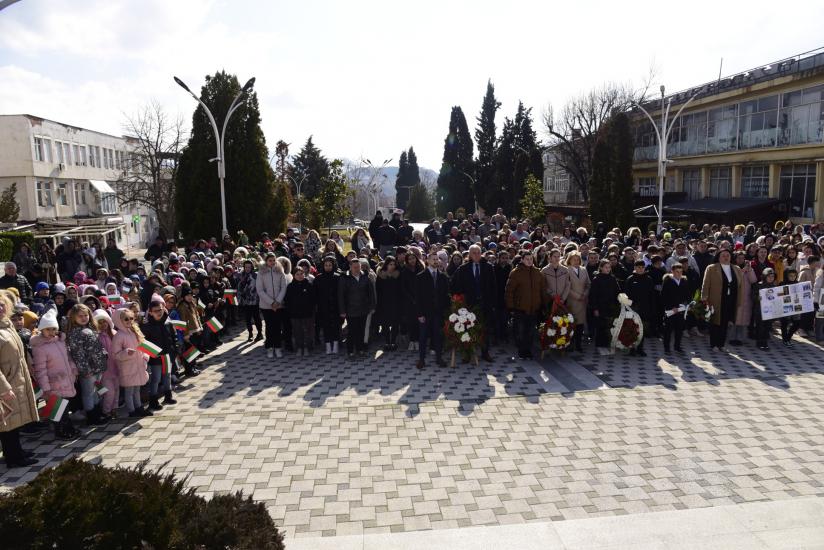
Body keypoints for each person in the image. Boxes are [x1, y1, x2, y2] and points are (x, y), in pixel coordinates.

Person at [0, 290, 39, 468]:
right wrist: (4, 387)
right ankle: (13, 458)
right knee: (7, 422)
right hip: (6, 383)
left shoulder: (6, 325)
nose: (0, 308)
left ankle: (17, 451)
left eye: (2, 304)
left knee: (15, 420)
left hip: (18, 377)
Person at [30, 310, 79, 440]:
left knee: (65, 407)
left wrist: (73, 369)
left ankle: (68, 428)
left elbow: (68, 358)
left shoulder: (60, 342)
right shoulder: (40, 347)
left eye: (53, 329)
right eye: (47, 330)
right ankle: (61, 431)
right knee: (57, 409)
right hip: (53, 383)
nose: (51, 332)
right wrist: (45, 387)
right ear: (41, 330)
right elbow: (40, 369)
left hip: (66, 379)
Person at [450, 244, 496, 362]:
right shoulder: (463, 269)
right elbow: (456, 286)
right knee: (467, 328)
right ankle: (467, 353)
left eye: (478, 252)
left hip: (484, 303)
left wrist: (491, 302)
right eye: (474, 253)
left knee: (484, 329)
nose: (476, 255)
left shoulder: (488, 267)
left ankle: (485, 352)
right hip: (469, 304)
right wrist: (460, 302)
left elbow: (493, 286)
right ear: (469, 254)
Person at [65, 303, 109, 425]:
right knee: (88, 393)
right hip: (88, 370)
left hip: (98, 367)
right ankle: (91, 416)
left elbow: (97, 347)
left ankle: (97, 412)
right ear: (74, 317)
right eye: (80, 316)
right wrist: (85, 370)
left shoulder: (90, 329)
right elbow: (78, 354)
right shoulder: (75, 333)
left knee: (95, 391)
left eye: (86, 315)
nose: (84, 318)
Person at [504, 251, 545, 359]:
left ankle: (528, 350)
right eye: (527, 259)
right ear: (522, 259)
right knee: (521, 331)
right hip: (520, 308)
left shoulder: (537, 272)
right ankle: (522, 351)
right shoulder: (516, 272)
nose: (529, 261)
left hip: (534, 308)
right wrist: (511, 307)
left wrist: (543, 303)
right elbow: (509, 291)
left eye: (531, 259)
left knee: (531, 331)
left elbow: (542, 290)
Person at [702, 249, 744, 352]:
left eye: (728, 255)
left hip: (731, 299)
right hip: (716, 299)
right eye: (723, 255)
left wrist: (740, 300)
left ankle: (721, 344)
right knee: (715, 322)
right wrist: (704, 299)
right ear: (718, 257)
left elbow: (741, 286)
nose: (726, 257)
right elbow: (705, 284)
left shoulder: (736, 268)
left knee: (726, 323)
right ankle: (714, 344)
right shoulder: (711, 268)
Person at [112, 308, 151, 417]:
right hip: (128, 367)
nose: (129, 321)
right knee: (129, 391)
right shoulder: (119, 336)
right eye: (126, 319)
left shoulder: (135, 331)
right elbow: (115, 354)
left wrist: (145, 356)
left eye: (131, 318)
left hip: (138, 365)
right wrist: (125, 353)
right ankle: (131, 410)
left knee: (137, 389)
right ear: (119, 320)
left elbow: (143, 346)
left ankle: (139, 407)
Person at [414, 251, 449, 369]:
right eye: (433, 259)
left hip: (438, 313)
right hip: (425, 313)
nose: (435, 261)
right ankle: (421, 359)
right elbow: (417, 297)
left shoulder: (443, 276)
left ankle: (439, 358)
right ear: (427, 261)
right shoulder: (420, 277)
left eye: (437, 259)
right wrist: (419, 314)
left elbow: (445, 295)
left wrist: (445, 312)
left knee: (438, 336)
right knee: (423, 337)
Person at [142, 297, 178, 410]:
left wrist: (175, 349)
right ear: (151, 313)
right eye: (156, 311)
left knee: (167, 376)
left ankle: (168, 395)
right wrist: (151, 354)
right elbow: (143, 343)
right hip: (155, 357)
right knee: (156, 379)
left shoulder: (168, 323)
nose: (159, 312)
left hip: (167, 355)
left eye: (161, 309)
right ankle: (153, 400)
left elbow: (174, 337)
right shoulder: (147, 327)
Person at [338, 257, 376, 359]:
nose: (357, 269)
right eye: (354, 267)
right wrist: (342, 311)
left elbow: (371, 293)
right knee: (352, 331)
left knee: (361, 331)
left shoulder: (366, 276)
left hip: (363, 309)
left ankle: (360, 350)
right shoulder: (344, 278)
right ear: (350, 267)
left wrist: (372, 306)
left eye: (358, 267)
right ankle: (350, 351)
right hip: (350, 310)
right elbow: (341, 295)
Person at [255, 253, 289, 359]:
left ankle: (278, 347)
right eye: (270, 260)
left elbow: (284, 287)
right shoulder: (261, 273)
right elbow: (260, 290)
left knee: (278, 326)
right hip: (266, 306)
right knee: (269, 327)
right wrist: (271, 302)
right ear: (266, 261)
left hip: (279, 305)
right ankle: (270, 347)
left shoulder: (280, 271)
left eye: (274, 260)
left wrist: (278, 301)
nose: (272, 262)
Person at [589, 259, 620, 355]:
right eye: (606, 267)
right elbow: (593, 295)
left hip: (610, 306)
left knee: (609, 325)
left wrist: (620, 300)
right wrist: (595, 308)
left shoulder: (612, 279)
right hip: (600, 306)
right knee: (600, 326)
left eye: (609, 267)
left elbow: (617, 291)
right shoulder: (596, 279)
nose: (608, 269)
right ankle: (599, 344)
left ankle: (607, 343)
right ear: (601, 268)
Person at [93, 309, 121, 418]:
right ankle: (106, 411)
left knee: (117, 390)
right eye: (100, 322)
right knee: (109, 392)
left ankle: (115, 408)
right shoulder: (96, 337)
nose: (103, 324)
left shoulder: (114, 333)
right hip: (104, 371)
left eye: (104, 321)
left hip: (116, 367)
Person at [284, 265, 316, 356]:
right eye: (297, 274)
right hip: (295, 314)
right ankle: (299, 347)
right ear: (294, 275)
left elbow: (313, 299)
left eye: (301, 274)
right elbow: (287, 300)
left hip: (307, 313)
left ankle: (306, 347)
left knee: (307, 331)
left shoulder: (309, 285)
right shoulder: (290, 286)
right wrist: (290, 310)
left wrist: (311, 309)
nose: (300, 276)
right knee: (297, 331)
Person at [661, 263, 691, 353]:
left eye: (681, 272)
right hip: (670, 310)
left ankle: (677, 347)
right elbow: (664, 296)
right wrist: (671, 307)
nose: (679, 274)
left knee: (679, 329)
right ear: (672, 271)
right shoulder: (668, 281)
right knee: (668, 330)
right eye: (677, 272)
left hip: (681, 310)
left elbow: (688, 295)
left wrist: (687, 304)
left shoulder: (684, 281)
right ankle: (667, 348)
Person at [315, 256, 342, 354]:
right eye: (326, 265)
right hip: (323, 306)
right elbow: (316, 294)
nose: (328, 267)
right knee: (326, 326)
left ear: (333, 266)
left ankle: (335, 344)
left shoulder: (338, 277)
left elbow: (341, 293)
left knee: (335, 326)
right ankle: (327, 345)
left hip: (335, 306)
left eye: (330, 265)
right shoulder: (318, 278)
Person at [564, 251, 590, 352]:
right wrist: (577, 296)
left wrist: (585, 294)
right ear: (569, 260)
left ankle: (579, 345)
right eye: (574, 259)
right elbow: (566, 286)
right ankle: (570, 344)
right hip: (572, 301)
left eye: (578, 259)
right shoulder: (566, 270)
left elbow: (588, 283)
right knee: (572, 323)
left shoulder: (583, 270)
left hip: (583, 301)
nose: (576, 261)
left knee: (580, 325)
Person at [375, 256, 402, 350]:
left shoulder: (398, 275)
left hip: (396, 303)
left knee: (395, 323)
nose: (392, 266)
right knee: (385, 324)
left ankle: (393, 342)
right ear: (386, 265)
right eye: (390, 264)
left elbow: (401, 290)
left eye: (394, 264)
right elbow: (378, 290)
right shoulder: (381, 275)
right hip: (384, 303)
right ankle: (387, 342)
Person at [237, 259, 263, 342]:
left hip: (255, 300)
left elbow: (260, 287)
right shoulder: (241, 275)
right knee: (247, 318)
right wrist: (240, 298)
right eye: (246, 267)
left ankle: (259, 333)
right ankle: (250, 333)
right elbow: (239, 288)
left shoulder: (256, 275)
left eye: (249, 267)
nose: (247, 268)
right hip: (246, 300)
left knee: (257, 318)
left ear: (252, 267)